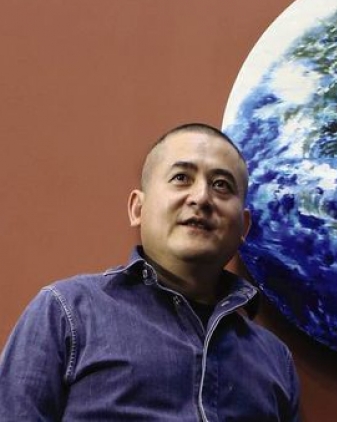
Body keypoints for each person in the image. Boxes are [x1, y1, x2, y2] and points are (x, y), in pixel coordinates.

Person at [0, 123, 300, 421]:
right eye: (181, 178)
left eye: (221, 185)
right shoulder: (68, 311)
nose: (201, 198)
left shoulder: (275, 360)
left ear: (244, 227)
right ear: (137, 209)